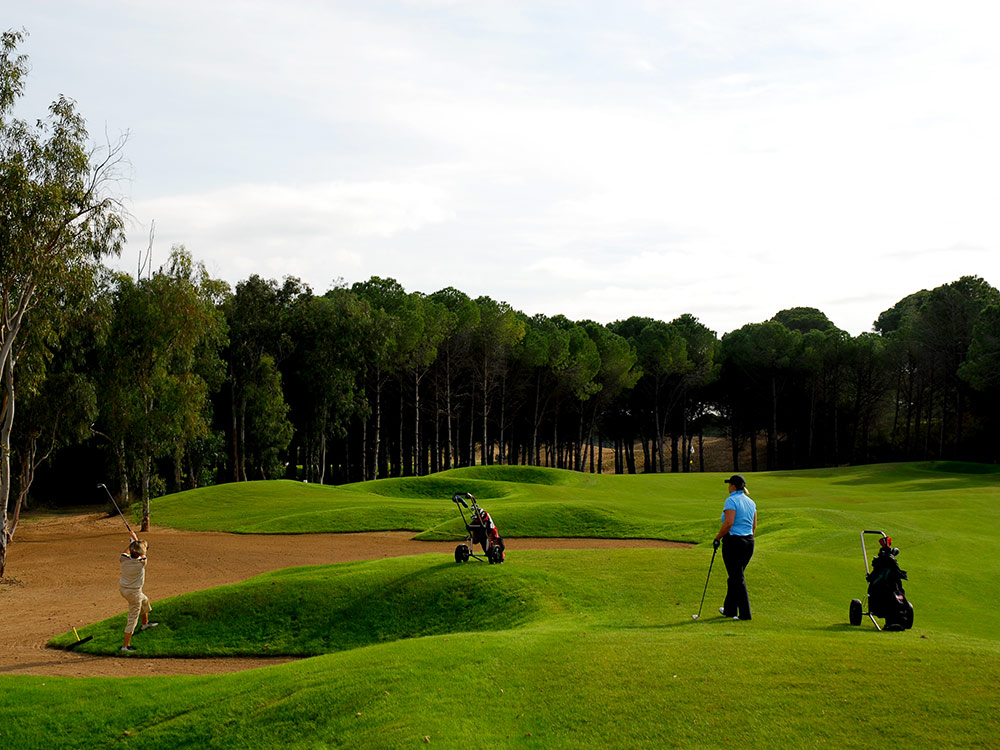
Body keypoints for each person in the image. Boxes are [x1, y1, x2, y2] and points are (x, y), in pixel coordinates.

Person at [713, 474, 757, 621]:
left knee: (737, 578)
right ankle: (729, 610)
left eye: (729, 484)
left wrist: (717, 537)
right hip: (749, 542)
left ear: (733, 486)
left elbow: (728, 523)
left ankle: (745, 614)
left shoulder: (731, 500)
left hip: (734, 543)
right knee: (735, 577)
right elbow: (753, 526)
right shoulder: (751, 502)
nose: (728, 487)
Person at [119, 532, 158, 652]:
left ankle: (145, 624)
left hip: (123, 589)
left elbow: (127, 552)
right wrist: (135, 540)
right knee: (132, 618)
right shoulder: (142, 562)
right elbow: (142, 553)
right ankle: (125, 646)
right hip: (134, 593)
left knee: (145, 601)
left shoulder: (123, 559)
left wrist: (133, 541)